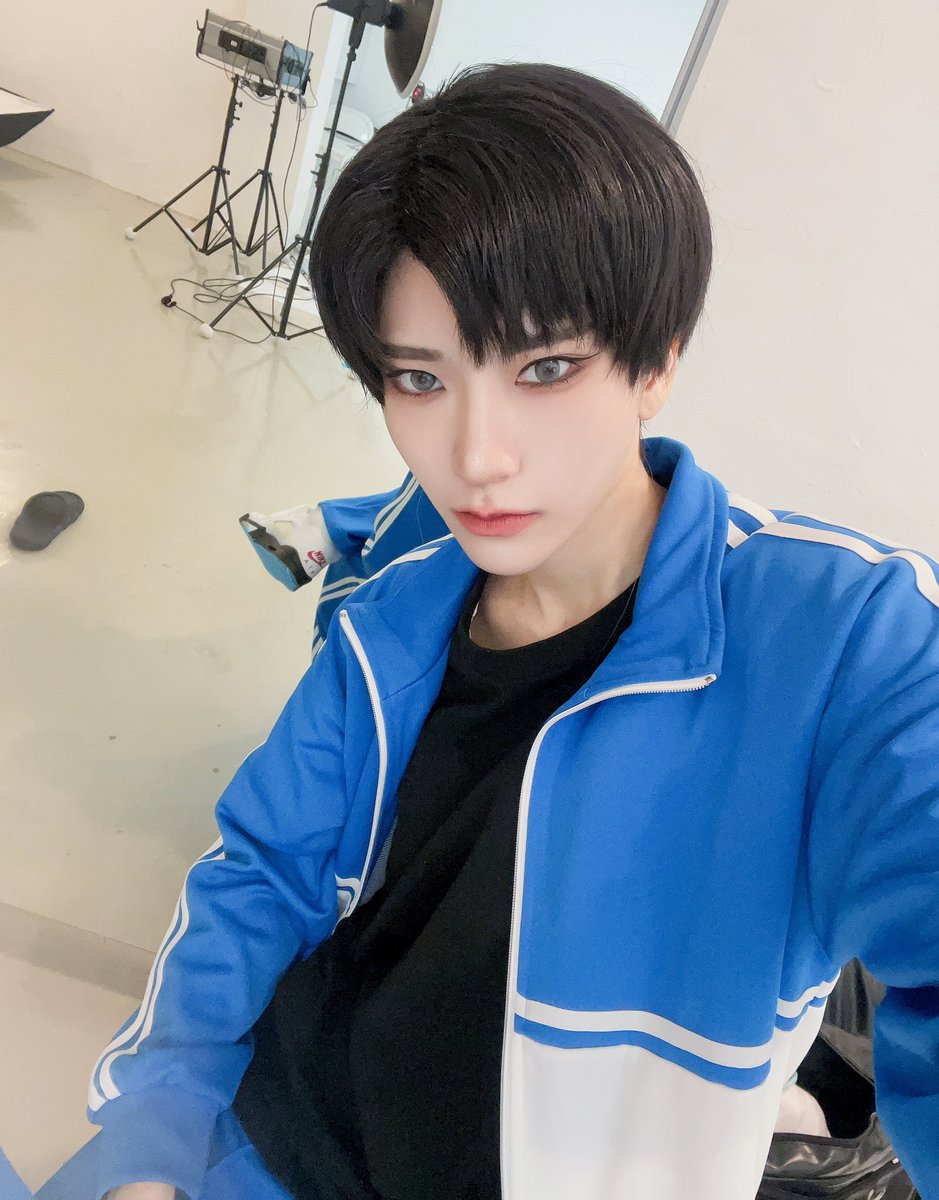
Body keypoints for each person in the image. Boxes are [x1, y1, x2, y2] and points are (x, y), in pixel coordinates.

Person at [84, 63, 939, 1200]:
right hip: (263, 1148)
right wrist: (151, 1132)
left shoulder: (853, 646)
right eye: (419, 379)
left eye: (546, 367)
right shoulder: (392, 617)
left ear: (657, 359)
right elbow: (260, 877)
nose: (477, 457)